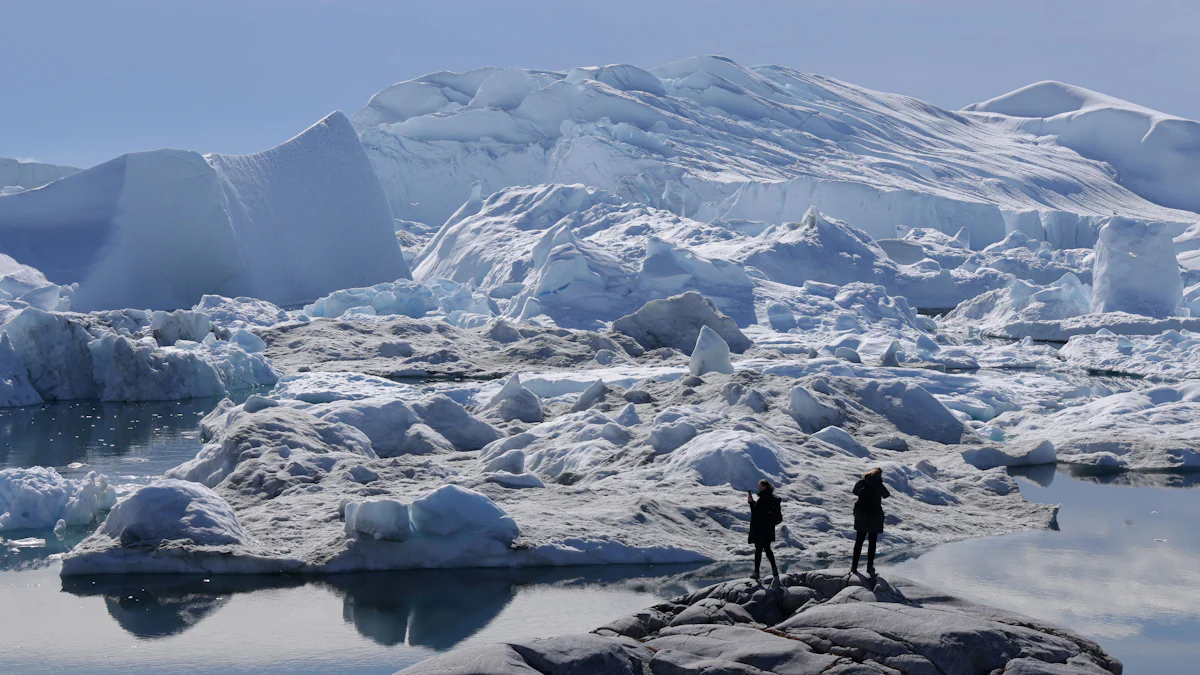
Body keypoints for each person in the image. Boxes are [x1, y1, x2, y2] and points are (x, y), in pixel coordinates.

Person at [851, 467, 890, 577]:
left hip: (861, 514)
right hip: (875, 515)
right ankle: (869, 566)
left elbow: (854, 492)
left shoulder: (862, 482)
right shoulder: (878, 484)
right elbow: (886, 495)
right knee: (872, 543)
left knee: (859, 541)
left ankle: (854, 567)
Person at [747, 479, 781, 582]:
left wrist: (751, 503)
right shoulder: (772, 498)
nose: (758, 487)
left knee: (758, 550)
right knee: (767, 548)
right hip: (768, 529)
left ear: (764, 487)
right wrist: (753, 502)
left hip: (760, 529)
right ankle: (774, 569)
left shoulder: (763, 499)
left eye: (759, 485)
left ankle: (756, 572)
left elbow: (756, 514)